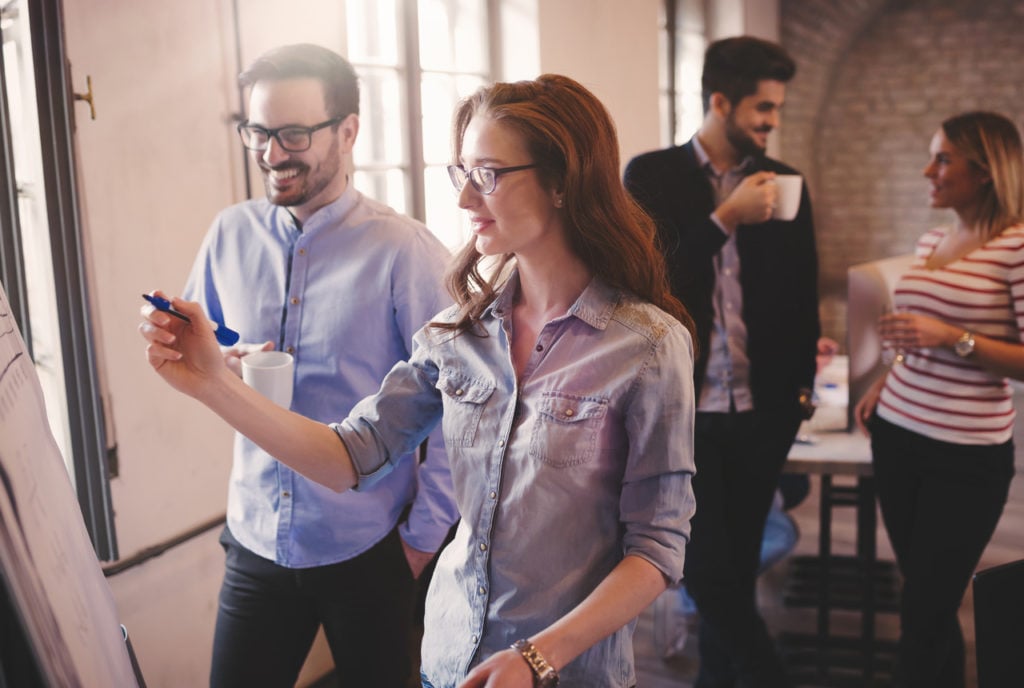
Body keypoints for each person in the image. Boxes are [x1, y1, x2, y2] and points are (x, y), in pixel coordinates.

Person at [141, 73, 697, 688]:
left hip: (567, 675)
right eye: (462, 174)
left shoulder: (646, 346)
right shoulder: (458, 333)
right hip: (446, 663)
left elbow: (656, 549)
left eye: (488, 175)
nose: (465, 201)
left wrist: (537, 657)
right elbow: (347, 456)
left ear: (563, 180)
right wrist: (213, 384)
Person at [177, 44, 459, 688]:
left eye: (294, 134)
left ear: (349, 130)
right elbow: (213, 347)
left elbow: (457, 410)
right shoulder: (228, 234)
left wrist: (421, 539)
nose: (273, 154)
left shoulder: (405, 251)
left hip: (371, 548)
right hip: (253, 538)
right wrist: (211, 355)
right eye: (259, 132)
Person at [624, 35, 820, 687]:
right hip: (686, 412)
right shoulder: (650, 176)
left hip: (762, 414)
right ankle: (770, 676)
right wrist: (725, 218)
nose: (770, 124)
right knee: (704, 569)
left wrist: (798, 397)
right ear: (719, 101)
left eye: (775, 111)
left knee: (733, 570)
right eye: (762, 110)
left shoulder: (785, 182)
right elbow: (647, 281)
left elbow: (802, 294)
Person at [854, 111, 1024, 688]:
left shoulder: (1017, 247)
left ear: (985, 171)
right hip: (899, 436)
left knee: (924, 609)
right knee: (929, 599)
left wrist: (955, 338)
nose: (929, 170)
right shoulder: (933, 239)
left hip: (966, 455)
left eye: (943, 158)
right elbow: (917, 338)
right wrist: (887, 378)